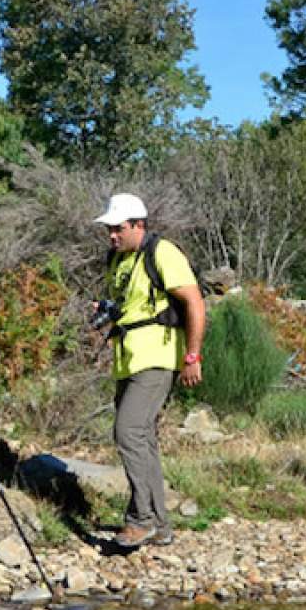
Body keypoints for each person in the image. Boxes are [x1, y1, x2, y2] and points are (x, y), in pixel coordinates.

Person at [92, 194, 208, 551]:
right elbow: (131, 305)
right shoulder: (119, 259)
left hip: (156, 357)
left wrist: (192, 356)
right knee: (143, 438)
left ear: (138, 224)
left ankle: (140, 520)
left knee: (128, 432)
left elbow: (194, 302)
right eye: (109, 228)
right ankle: (159, 524)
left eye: (118, 228)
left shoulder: (163, 253)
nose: (112, 235)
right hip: (128, 358)